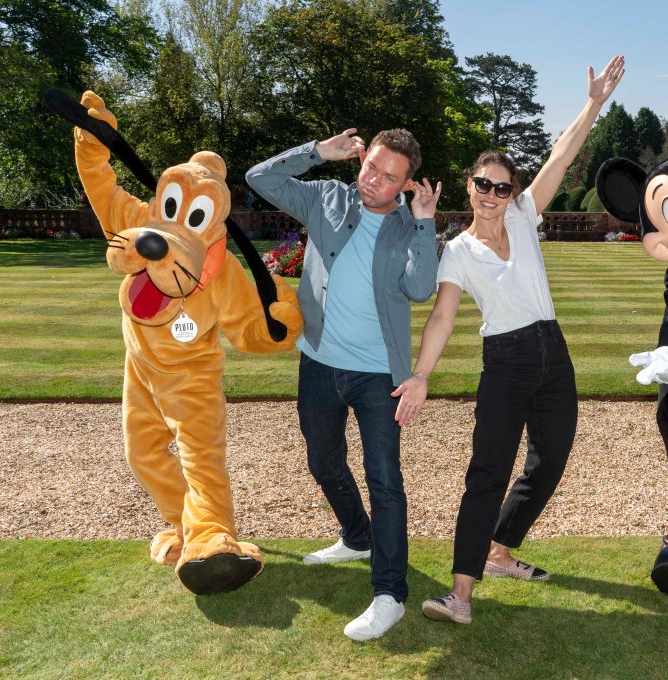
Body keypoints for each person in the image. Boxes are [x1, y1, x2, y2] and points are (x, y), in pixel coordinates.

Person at [390, 56, 626, 624]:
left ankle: (501, 550)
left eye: (501, 186)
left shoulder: (525, 214)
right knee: (488, 473)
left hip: (553, 353)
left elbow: (563, 155)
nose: (492, 194)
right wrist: (420, 375)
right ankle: (460, 595)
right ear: (469, 186)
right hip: (507, 361)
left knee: (551, 459)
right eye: (482, 184)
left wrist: (595, 101)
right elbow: (443, 317)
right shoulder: (458, 251)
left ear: (512, 191)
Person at [246, 128, 441, 640]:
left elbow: (422, 290)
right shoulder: (327, 197)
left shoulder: (408, 226)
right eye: (370, 166)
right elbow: (257, 178)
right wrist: (314, 153)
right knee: (323, 463)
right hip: (318, 364)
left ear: (405, 185)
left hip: (379, 377)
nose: (373, 180)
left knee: (385, 480)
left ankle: (390, 593)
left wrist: (424, 224)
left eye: (388, 177)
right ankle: (356, 535)